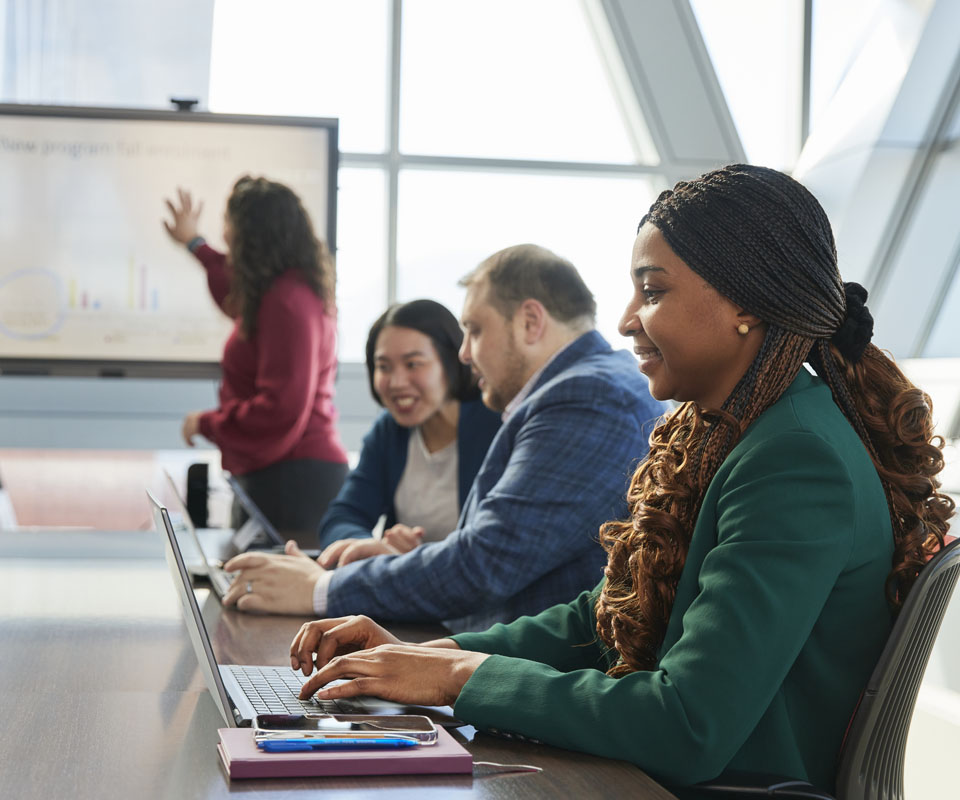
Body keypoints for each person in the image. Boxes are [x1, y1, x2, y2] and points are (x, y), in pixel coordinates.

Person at [285, 165, 953, 796]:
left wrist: (461, 677)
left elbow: (688, 725)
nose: (627, 318)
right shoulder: (734, 429)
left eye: (654, 290)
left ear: (746, 304)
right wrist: (428, 657)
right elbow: (603, 617)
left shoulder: (796, 459)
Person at [222, 244, 666, 629]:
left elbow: (485, 563)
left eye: (474, 329)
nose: (464, 352)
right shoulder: (582, 387)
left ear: (531, 322)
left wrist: (323, 589)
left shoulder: (586, 397)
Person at [163, 178, 348, 542]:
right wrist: (195, 245)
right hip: (285, 474)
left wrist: (208, 423)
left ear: (253, 235)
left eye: (230, 225)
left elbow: (280, 408)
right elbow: (229, 287)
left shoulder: (287, 303)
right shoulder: (281, 292)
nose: (226, 236)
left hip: (293, 480)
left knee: (262, 593)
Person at [316, 299, 502, 562]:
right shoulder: (389, 431)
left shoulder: (496, 424)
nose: (396, 382)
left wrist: (424, 557)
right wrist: (372, 547)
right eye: (383, 367)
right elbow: (342, 517)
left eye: (413, 364)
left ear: (451, 362)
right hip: (407, 590)